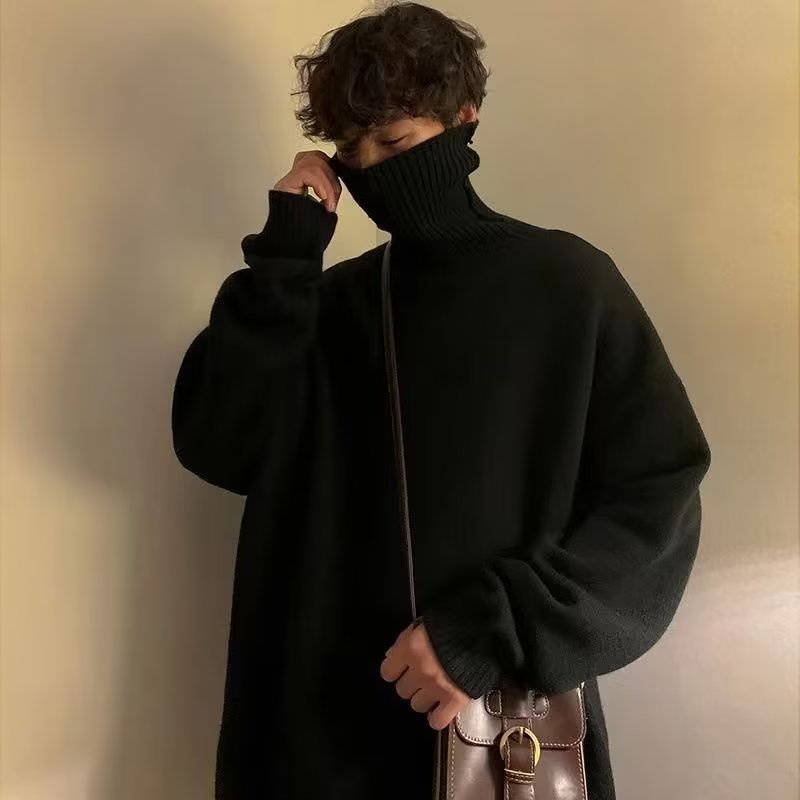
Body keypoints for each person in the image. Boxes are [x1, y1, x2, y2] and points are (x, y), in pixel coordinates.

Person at [170, 3, 712, 798]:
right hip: (314, 738)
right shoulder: (323, 306)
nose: (372, 169)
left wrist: (490, 632)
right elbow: (220, 444)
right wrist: (283, 263)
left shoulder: (566, 286)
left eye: (395, 142)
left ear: (464, 119)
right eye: (351, 150)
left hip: (497, 734)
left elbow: (658, 497)